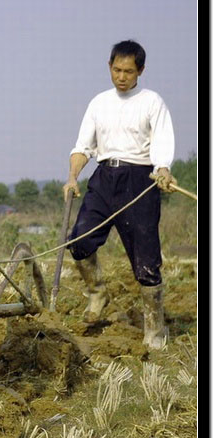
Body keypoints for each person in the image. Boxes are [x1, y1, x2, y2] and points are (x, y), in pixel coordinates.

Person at [62, 40, 176, 350]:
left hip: (141, 180)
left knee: (146, 263)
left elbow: (163, 141)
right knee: (80, 241)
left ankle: (155, 329)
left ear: (140, 70)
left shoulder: (152, 102)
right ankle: (97, 292)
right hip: (104, 179)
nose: (121, 77)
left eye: (128, 71)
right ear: (109, 67)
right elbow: (82, 146)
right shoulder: (99, 102)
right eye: (116, 70)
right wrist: (73, 177)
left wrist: (163, 168)